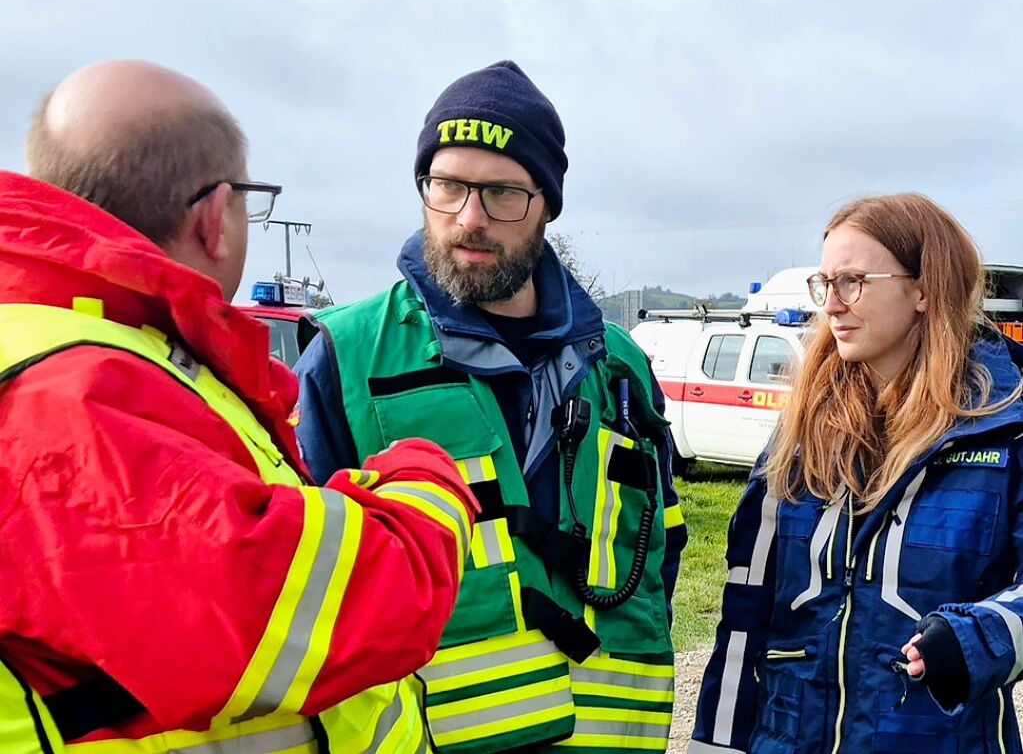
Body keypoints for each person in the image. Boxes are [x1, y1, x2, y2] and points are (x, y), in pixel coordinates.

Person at [0, 59, 478, 753]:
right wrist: (423, 478)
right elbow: (297, 611)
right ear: (212, 217)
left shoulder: (110, 349)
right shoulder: (67, 394)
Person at [294, 60, 687, 753]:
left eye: (502, 192)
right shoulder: (344, 359)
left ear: (546, 205)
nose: (469, 219)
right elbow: (300, 600)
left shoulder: (617, 364)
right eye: (447, 186)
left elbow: (665, 547)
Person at [692, 193, 1023, 753]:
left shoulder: (1004, 429)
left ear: (924, 288)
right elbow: (746, 609)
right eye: (825, 284)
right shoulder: (799, 430)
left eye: (853, 281)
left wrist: (980, 636)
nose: (833, 305)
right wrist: (715, 742)